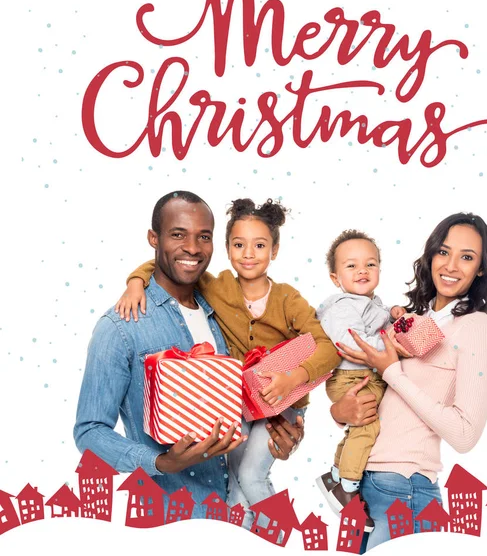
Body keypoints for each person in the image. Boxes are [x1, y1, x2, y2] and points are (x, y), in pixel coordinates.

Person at [74, 191, 304, 521]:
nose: (193, 248)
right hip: (175, 521)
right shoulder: (120, 328)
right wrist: (161, 462)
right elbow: (90, 432)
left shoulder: (226, 314)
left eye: (204, 237)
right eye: (178, 234)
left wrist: (280, 438)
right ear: (154, 238)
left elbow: (239, 409)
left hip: (238, 516)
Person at [116, 197, 340, 528]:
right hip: (240, 402)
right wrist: (135, 282)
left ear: (274, 251)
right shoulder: (215, 285)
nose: (249, 253)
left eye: (259, 245)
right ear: (227, 248)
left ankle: (283, 539)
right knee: (233, 484)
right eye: (239, 244)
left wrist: (294, 378)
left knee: (250, 475)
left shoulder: (288, 299)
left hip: (281, 401)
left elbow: (328, 349)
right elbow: (162, 266)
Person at [332, 213, 487, 550]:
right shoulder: (413, 322)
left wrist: (392, 371)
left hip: (404, 487)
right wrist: (340, 411)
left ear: (481, 268)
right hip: (362, 486)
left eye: (467, 257)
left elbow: (465, 435)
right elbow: (380, 399)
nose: (451, 265)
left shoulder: (476, 327)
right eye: (443, 252)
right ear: (431, 254)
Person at [315, 230, 405, 530]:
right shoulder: (341, 306)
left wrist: (393, 315)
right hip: (350, 376)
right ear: (334, 277)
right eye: (351, 266)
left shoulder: (372, 302)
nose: (362, 270)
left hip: (365, 375)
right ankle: (348, 489)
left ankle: (336, 474)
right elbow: (353, 344)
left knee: (357, 432)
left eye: (370, 264)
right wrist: (392, 343)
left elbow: (377, 325)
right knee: (367, 428)